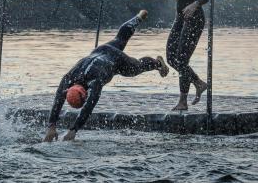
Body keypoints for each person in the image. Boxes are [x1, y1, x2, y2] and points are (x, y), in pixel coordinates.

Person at [43, 10, 169, 142]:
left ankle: (157, 63)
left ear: (84, 94)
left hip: (116, 61)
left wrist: (73, 130)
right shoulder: (69, 77)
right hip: (101, 50)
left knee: (136, 67)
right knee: (120, 38)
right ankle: (137, 18)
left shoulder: (93, 81)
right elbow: (59, 98)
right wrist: (51, 126)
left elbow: (88, 107)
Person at [142, 0, 209, 111]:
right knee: (171, 57)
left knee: (181, 58)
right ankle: (198, 83)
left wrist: (196, 4)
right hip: (180, 17)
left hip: (194, 19)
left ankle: (183, 101)